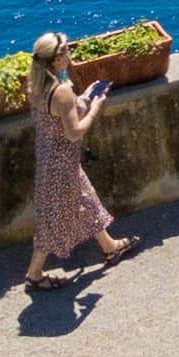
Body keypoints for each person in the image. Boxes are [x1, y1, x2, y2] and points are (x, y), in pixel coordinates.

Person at [23, 33, 133, 289]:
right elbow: (73, 132)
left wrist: (81, 98)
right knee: (53, 219)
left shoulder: (37, 84)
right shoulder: (61, 91)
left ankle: (110, 247)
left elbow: (58, 114)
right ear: (58, 58)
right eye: (67, 49)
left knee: (86, 200)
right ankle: (34, 275)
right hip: (61, 164)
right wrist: (95, 106)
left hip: (51, 158)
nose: (71, 52)